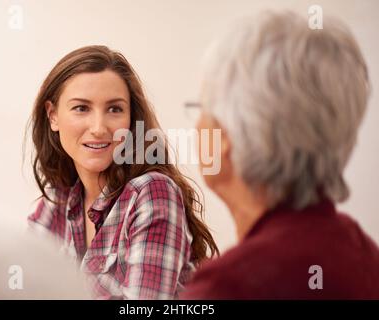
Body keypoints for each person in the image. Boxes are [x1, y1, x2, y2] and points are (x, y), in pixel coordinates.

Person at [180, 11, 379, 299]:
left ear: (225, 137)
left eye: (202, 108)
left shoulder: (229, 286)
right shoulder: (363, 254)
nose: (197, 126)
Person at [26, 45, 218, 299]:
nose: (99, 128)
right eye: (82, 108)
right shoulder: (54, 204)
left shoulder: (152, 192)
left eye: (114, 109)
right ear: (53, 116)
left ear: (130, 119)